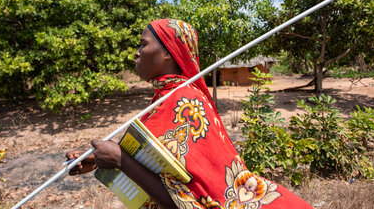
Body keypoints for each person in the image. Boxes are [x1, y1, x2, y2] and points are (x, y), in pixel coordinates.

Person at [66, 19, 313, 209]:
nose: (136, 53)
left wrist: (120, 160)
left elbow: (185, 202)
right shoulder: (163, 101)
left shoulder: (186, 104)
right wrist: (98, 160)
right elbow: (157, 166)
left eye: (143, 44)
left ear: (168, 53)